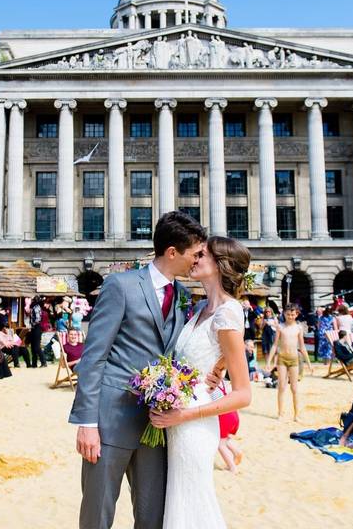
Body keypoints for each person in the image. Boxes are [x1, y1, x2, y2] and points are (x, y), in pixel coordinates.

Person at [70, 211, 209, 529]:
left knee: (152, 516)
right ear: (172, 252)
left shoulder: (184, 299)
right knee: (97, 513)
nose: (198, 260)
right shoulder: (120, 285)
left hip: (157, 427)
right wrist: (87, 423)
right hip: (110, 421)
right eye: (195, 253)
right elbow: (94, 357)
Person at [147, 233, 253, 529]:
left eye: (202, 254)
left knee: (193, 502)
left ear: (220, 264)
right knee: (179, 502)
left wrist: (186, 414)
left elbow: (244, 394)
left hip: (192, 422)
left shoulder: (228, 312)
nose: (193, 257)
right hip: (177, 418)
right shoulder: (200, 310)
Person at [268, 304, 312, 421]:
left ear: (296, 314)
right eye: (288, 314)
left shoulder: (298, 328)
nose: (290, 316)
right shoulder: (280, 327)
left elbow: (302, 347)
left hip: (294, 359)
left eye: (293, 314)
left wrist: (309, 364)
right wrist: (269, 362)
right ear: (284, 314)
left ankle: (296, 415)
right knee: (281, 387)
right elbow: (275, 345)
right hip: (282, 359)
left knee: (294, 388)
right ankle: (280, 413)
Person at [27, 297, 48, 368]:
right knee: (33, 346)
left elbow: (38, 319)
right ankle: (34, 363)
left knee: (36, 347)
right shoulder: (35, 307)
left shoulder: (36, 307)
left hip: (36, 328)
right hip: (34, 328)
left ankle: (43, 362)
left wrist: (32, 324)